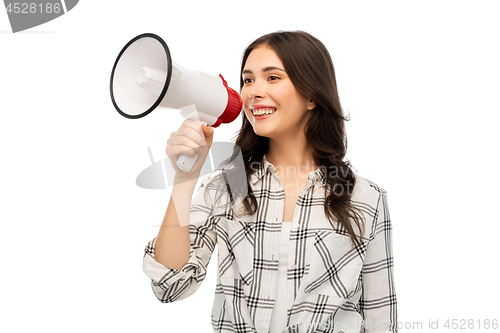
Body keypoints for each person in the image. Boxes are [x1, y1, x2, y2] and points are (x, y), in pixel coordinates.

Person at [142, 30, 398, 333]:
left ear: (312, 96)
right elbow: (170, 285)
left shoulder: (365, 197)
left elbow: (380, 316)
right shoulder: (224, 190)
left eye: (272, 77)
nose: (253, 91)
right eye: (248, 80)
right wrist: (185, 179)